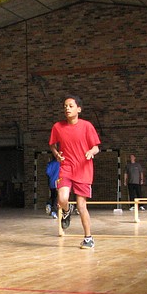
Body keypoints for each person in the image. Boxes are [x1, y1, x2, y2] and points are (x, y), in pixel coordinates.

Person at [49, 95, 101, 249]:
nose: (67, 108)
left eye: (71, 106)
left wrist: (91, 152)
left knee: (81, 205)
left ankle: (88, 238)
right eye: (65, 106)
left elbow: (96, 147)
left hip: (83, 170)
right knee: (62, 198)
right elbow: (52, 145)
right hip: (66, 167)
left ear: (79, 109)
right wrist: (56, 154)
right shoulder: (57, 127)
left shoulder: (87, 126)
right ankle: (66, 211)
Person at [45, 154, 60, 219]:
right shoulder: (60, 163)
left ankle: (49, 204)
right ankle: (54, 212)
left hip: (51, 182)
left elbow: (47, 172)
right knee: (57, 198)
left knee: (53, 196)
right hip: (59, 182)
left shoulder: (50, 163)